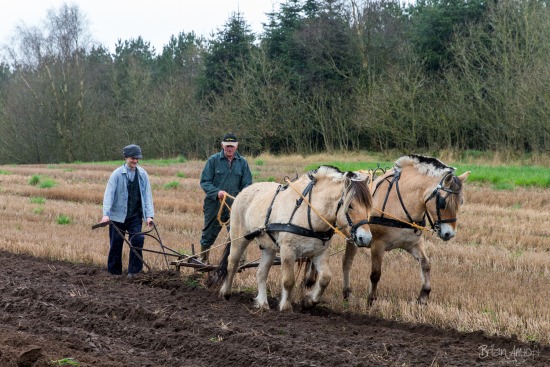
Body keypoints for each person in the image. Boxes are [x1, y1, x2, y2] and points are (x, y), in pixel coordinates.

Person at [101, 144, 154, 277]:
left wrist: (149, 216)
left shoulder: (142, 174)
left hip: (135, 216)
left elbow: (147, 196)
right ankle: (114, 273)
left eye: (137, 158)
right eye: (132, 158)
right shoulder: (117, 174)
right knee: (116, 245)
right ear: (125, 158)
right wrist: (106, 215)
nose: (135, 161)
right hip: (117, 216)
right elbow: (109, 195)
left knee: (137, 241)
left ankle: (134, 272)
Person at [199, 132, 253, 264]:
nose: (229, 148)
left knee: (238, 234)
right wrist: (217, 193)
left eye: (232, 146)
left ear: (237, 146)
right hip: (214, 204)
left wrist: (242, 198)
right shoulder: (213, 160)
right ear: (222, 145)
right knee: (208, 233)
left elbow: (247, 184)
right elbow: (205, 182)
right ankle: (203, 260)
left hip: (235, 206)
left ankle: (238, 261)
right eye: (227, 146)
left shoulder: (243, 163)